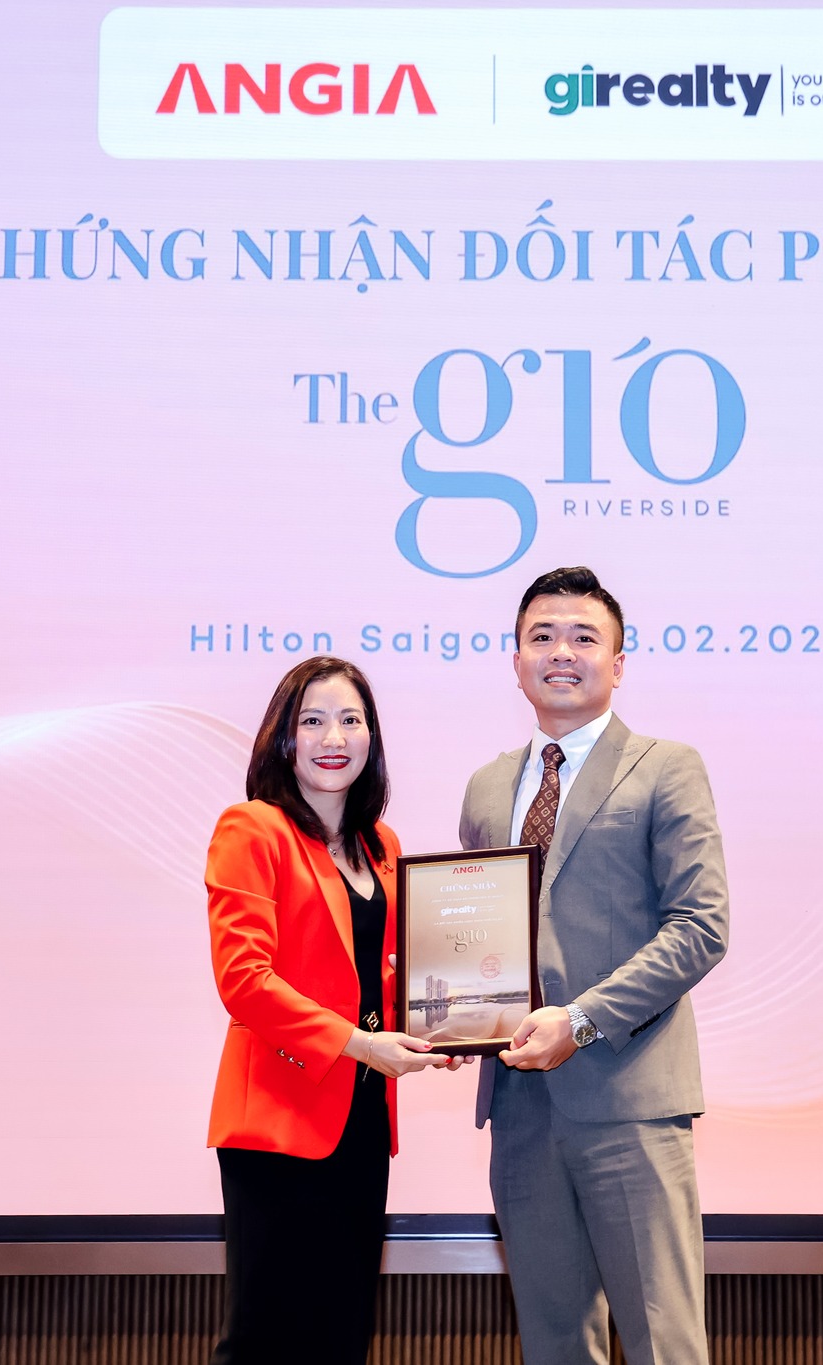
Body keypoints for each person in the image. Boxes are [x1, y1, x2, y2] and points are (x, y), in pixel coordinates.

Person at [458, 566, 730, 1365]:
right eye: (541, 636)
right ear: (516, 660)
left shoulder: (667, 767)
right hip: (521, 1109)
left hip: (631, 1101)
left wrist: (579, 1020)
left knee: (663, 1344)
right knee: (554, 1346)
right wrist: (451, 1010)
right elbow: (475, 932)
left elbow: (702, 925)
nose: (561, 653)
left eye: (584, 637)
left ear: (618, 661)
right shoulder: (486, 787)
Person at [205, 656, 457, 1365]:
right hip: (279, 1122)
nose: (333, 737)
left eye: (351, 719)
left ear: (372, 736)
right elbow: (244, 980)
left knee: (342, 1333)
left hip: (363, 1118)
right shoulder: (253, 829)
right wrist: (360, 1043)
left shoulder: (382, 846)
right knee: (266, 1339)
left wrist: (451, 1025)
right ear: (283, 738)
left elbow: (392, 974)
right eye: (312, 720)